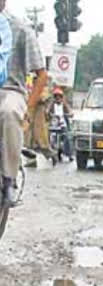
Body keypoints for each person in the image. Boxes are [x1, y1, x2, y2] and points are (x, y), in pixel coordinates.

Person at [0, 0, 46, 207]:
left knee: (9, 112)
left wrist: (28, 110)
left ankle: (8, 179)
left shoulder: (21, 29)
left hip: (10, 91)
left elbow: (41, 75)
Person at [47, 87, 73, 161]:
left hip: (62, 124)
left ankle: (69, 154)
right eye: (56, 96)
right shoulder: (51, 104)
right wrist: (48, 113)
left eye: (59, 96)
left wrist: (70, 114)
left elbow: (70, 111)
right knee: (49, 138)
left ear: (62, 97)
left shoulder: (64, 104)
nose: (58, 98)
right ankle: (49, 153)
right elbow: (47, 110)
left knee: (67, 137)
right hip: (54, 125)